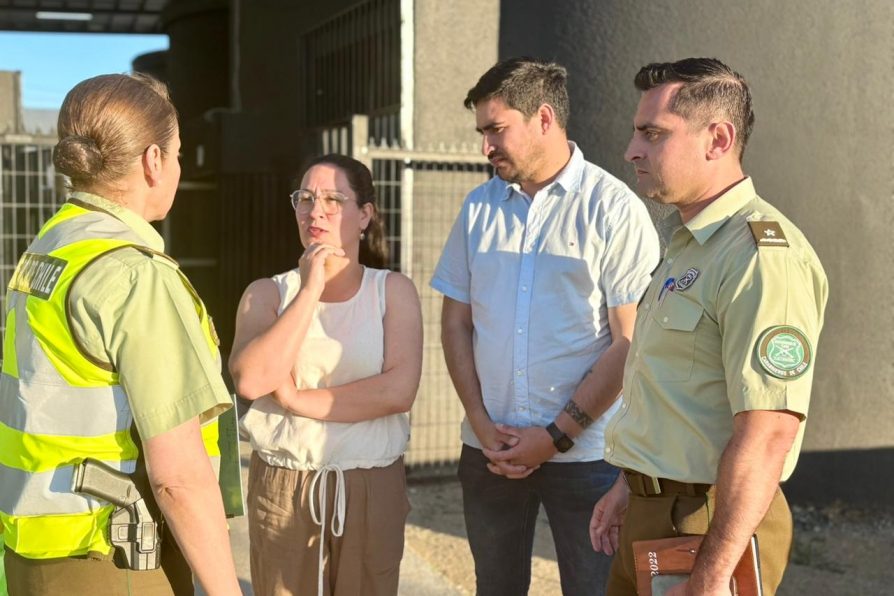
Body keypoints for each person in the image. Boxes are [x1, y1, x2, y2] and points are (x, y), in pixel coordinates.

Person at [589, 58, 829, 596]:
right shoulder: (688, 244)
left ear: (717, 139)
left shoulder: (761, 257)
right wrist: (632, 486)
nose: (631, 150)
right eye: (636, 133)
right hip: (658, 512)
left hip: (706, 524)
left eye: (653, 134)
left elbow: (767, 433)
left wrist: (713, 575)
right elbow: (677, 395)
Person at [0, 74, 240, 595]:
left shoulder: (52, 246)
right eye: (178, 152)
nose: (179, 165)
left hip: (33, 555)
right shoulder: (136, 275)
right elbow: (178, 476)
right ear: (153, 160)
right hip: (114, 561)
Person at [431, 57, 660, 595]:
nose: (485, 147)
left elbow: (631, 342)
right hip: (490, 450)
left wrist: (556, 436)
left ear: (544, 118)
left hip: (589, 459)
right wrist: (480, 422)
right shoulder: (478, 208)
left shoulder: (613, 209)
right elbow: (455, 323)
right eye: (481, 132)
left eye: (496, 129)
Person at [229, 154, 423, 596]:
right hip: (285, 481)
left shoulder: (392, 291)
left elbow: (397, 390)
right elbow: (252, 380)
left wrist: (296, 400)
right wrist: (310, 287)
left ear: (364, 215)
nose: (315, 211)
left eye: (334, 199)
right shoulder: (267, 293)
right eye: (305, 198)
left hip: (370, 481)